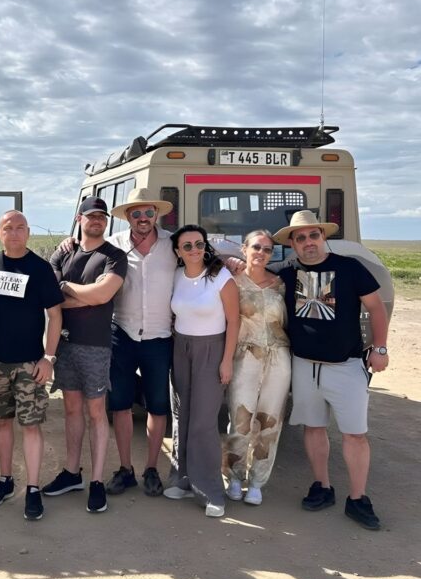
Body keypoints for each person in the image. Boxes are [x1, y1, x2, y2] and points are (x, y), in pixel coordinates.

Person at [272, 210, 390, 530]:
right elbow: (253, 275)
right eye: (301, 238)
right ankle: (322, 486)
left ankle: (358, 498)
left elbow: (376, 308)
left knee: (354, 434)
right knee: (313, 427)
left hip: (345, 365)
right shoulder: (287, 272)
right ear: (293, 244)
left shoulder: (350, 268)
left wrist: (379, 348)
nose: (308, 242)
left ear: (323, 237)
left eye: (314, 235)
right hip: (304, 364)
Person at [0, 210, 64, 521]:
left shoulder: (40, 269)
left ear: (28, 233)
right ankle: (5, 480)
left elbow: (55, 316)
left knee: (31, 426)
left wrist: (49, 358)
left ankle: (34, 489)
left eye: (20, 228)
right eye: (8, 228)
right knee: (1, 423)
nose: (14, 233)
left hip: (30, 363)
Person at [43, 197, 127, 514]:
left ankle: (95, 482)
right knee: (72, 411)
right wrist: (85, 297)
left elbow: (104, 294)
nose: (97, 221)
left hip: (96, 345)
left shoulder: (114, 256)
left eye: (102, 217)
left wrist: (67, 286)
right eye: (91, 216)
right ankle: (72, 473)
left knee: (96, 413)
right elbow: (50, 296)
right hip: (65, 345)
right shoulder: (64, 252)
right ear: (80, 219)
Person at [104, 187, 176, 498]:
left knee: (158, 406)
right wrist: (67, 244)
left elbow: (209, 253)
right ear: (128, 217)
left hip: (160, 337)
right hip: (122, 333)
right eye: (136, 213)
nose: (143, 218)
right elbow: (84, 254)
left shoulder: (174, 243)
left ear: (156, 214)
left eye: (148, 212)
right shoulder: (113, 244)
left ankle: (150, 468)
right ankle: (124, 469)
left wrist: (232, 262)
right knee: (120, 405)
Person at [164, 224, 239, 518]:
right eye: (187, 246)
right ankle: (182, 479)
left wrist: (227, 360)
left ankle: (211, 491)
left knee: (204, 422)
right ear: (177, 252)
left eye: (199, 244)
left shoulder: (221, 277)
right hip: (181, 348)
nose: (194, 250)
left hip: (212, 349)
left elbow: (233, 321)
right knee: (181, 416)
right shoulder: (177, 276)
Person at [223, 230, 291, 507]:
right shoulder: (231, 281)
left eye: (267, 249)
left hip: (278, 357)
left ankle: (258, 481)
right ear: (244, 249)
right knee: (240, 420)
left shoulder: (281, 285)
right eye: (256, 247)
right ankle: (235, 476)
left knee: (270, 421)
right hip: (244, 356)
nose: (261, 253)